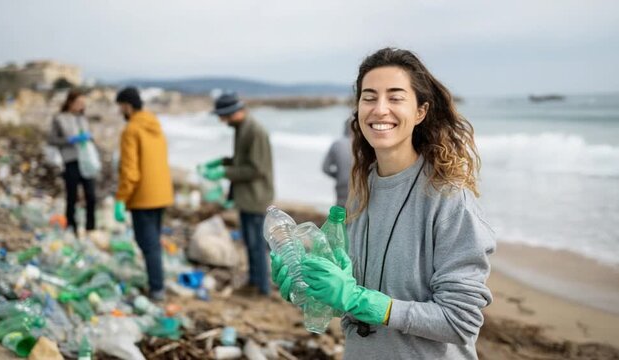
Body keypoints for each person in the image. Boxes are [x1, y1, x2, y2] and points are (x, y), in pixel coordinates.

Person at [272, 48, 496, 359]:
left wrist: (361, 300)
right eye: (369, 96)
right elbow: (351, 301)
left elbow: (461, 321)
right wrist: (313, 291)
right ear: (358, 108)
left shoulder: (448, 199)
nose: (380, 109)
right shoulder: (360, 192)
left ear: (420, 111)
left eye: (395, 97)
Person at [200, 91, 274, 296]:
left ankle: (262, 288)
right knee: (249, 243)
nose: (222, 121)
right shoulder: (241, 128)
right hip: (246, 196)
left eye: (223, 116)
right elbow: (242, 161)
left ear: (233, 112)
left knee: (256, 244)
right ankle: (254, 281)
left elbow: (256, 169)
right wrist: (223, 162)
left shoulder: (255, 131)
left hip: (256, 197)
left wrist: (224, 172)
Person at [114, 87, 174, 301]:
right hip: (162, 193)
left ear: (127, 106)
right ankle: (158, 284)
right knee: (154, 242)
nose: (120, 111)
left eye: (120, 106)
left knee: (148, 244)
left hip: (143, 197)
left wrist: (121, 198)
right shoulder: (155, 126)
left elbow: (130, 172)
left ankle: (157, 290)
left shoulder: (131, 130)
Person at [48, 89, 96, 237]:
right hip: (70, 160)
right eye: (78, 102)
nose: (81, 106)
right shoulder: (59, 118)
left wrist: (89, 138)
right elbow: (52, 140)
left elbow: (90, 137)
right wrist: (69, 141)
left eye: (83, 103)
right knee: (72, 196)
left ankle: (90, 227)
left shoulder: (83, 119)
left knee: (91, 195)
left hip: (86, 161)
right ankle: (71, 226)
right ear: (70, 102)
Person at [322, 117, 353, 207]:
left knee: (339, 217)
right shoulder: (364, 146)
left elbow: (325, 168)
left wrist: (339, 176)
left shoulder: (337, 144)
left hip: (341, 186)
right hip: (361, 187)